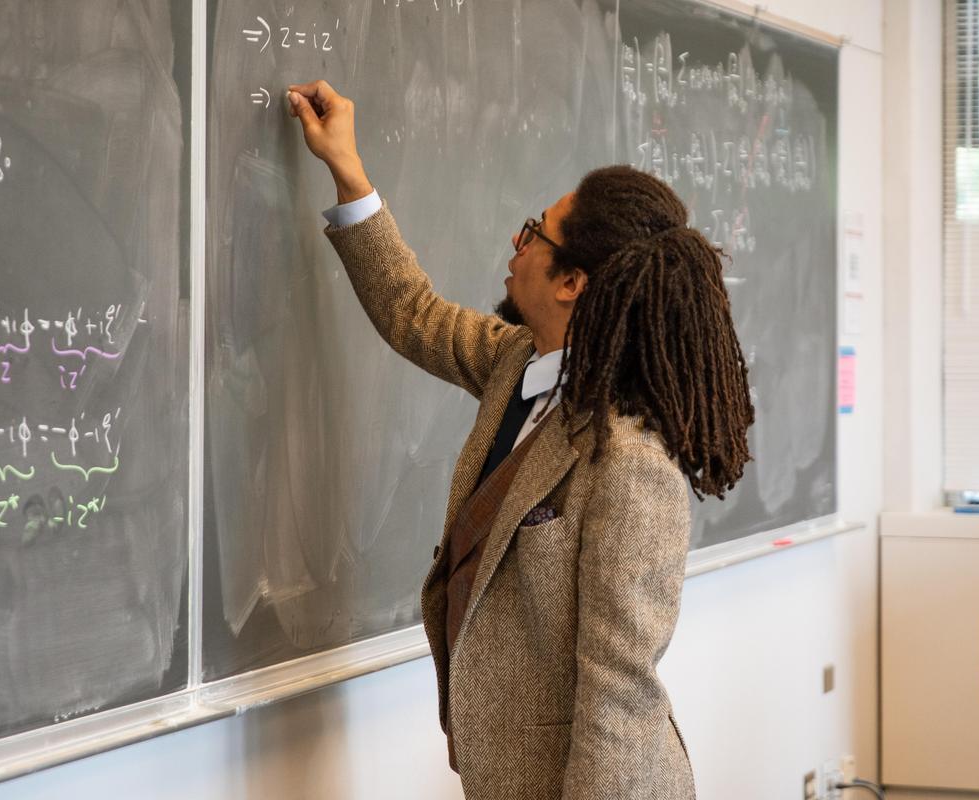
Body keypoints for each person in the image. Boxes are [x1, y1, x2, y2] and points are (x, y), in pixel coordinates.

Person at [285, 79, 755, 800]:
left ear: (571, 282)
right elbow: (411, 310)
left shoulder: (631, 463)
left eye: (536, 231)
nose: (518, 238)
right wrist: (348, 171)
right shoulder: (519, 366)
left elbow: (618, 696)